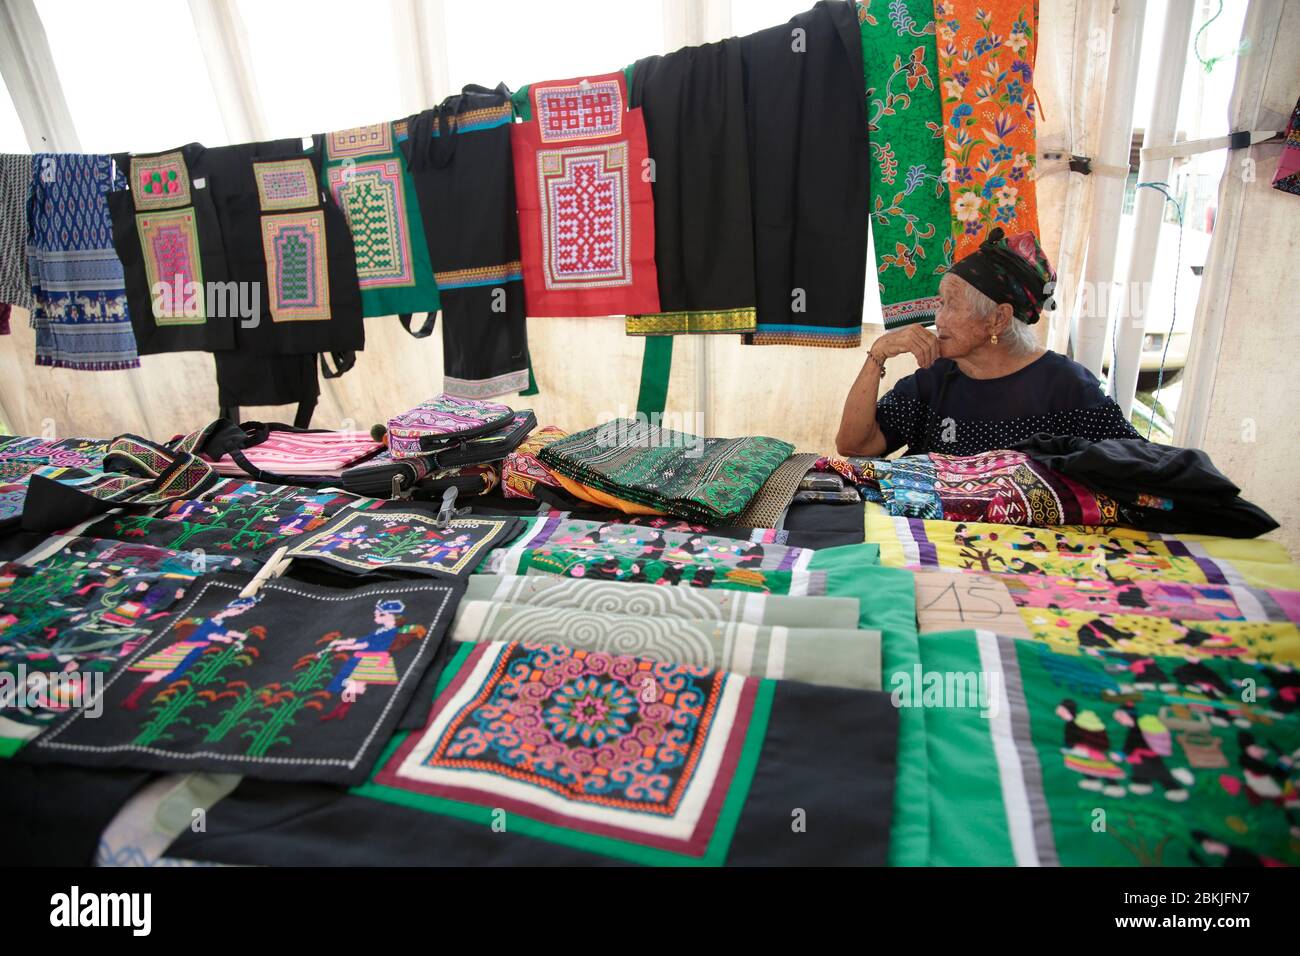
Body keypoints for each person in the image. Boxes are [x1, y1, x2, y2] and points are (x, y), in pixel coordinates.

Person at [836, 228, 1140, 457]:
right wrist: (878, 354)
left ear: (997, 319)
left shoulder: (1066, 388)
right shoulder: (937, 377)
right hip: (930, 536)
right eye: (939, 303)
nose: (937, 319)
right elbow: (855, 445)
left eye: (951, 305)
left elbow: (1137, 463)